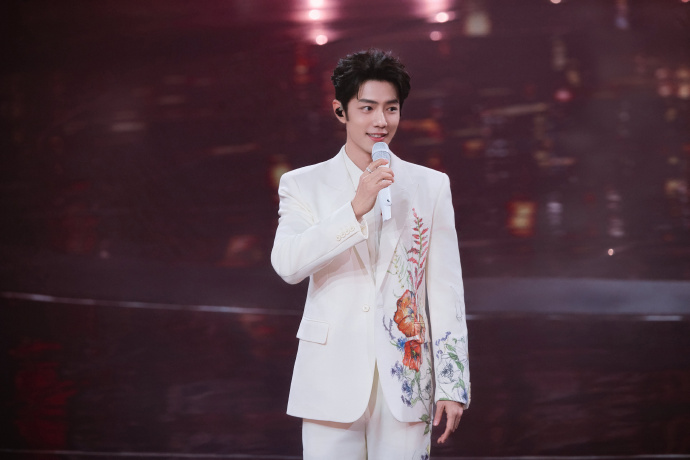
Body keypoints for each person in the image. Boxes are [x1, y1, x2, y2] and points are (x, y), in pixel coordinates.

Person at [271, 48, 470, 459]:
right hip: (329, 380)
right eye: (367, 108)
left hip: (406, 381)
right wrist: (354, 209)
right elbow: (288, 264)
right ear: (340, 111)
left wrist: (452, 384)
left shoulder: (430, 186)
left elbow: (446, 290)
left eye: (391, 108)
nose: (381, 121)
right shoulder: (302, 184)